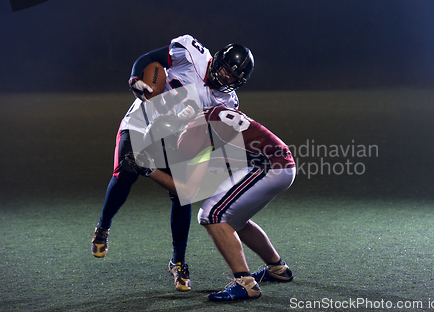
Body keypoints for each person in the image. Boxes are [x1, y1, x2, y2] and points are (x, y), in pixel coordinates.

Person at [91, 34, 255, 292]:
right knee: (126, 172)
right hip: (142, 119)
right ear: (218, 61)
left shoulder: (227, 102)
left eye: (233, 78)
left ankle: (178, 261)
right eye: (224, 71)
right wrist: (136, 79)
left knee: (181, 194)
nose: (225, 79)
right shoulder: (192, 53)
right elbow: (149, 60)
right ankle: (103, 227)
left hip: (174, 136)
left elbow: (214, 135)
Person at [125, 106, 296, 301]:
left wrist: (150, 171)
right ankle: (277, 269)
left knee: (211, 214)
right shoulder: (198, 120)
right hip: (274, 162)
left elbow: (188, 192)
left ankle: (246, 284)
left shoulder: (189, 138)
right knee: (233, 218)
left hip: (269, 166)